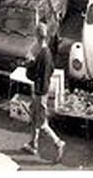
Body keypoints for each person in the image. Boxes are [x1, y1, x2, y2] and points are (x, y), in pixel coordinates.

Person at [22, 23, 65, 161]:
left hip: (39, 92)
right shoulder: (48, 53)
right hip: (43, 89)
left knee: (41, 123)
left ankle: (57, 142)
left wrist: (29, 63)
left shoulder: (41, 55)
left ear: (37, 36)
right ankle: (33, 144)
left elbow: (32, 75)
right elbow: (51, 69)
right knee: (35, 118)